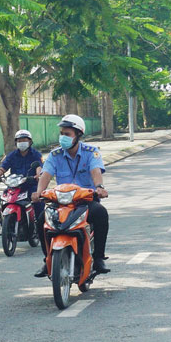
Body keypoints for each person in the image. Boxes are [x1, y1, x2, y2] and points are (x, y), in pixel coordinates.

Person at [31, 114, 110, 278]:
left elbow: (95, 171)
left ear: (78, 135)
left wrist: (99, 187)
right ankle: (47, 259)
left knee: (101, 213)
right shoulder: (55, 155)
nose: (63, 137)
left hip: (85, 200)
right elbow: (46, 175)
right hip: (60, 202)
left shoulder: (91, 152)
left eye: (67, 134)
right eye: (61, 133)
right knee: (40, 219)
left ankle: (99, 258)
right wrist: (39, 192)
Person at [0, 129, 44, 251]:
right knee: (1, 201)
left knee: (37, 201)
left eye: (24, 140)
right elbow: (3, 168)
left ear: (30, 142)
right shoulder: (12, 155)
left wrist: (38, 175)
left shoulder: (35, 154)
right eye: (19, 140)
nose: (22, 142)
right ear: (16, 142)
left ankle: (40, 227)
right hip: (15, 185)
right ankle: (3, 225)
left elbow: (39, 167)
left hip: (30, 184)